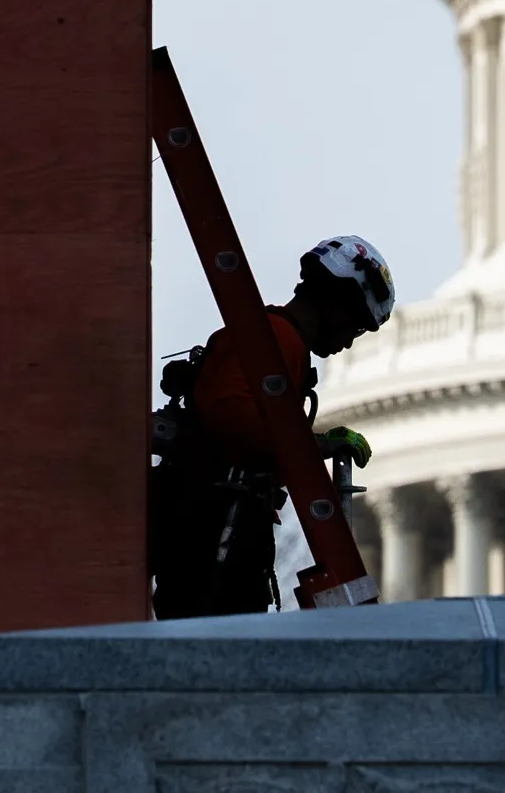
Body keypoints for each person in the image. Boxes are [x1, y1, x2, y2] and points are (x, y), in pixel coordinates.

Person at [148, 235, 394, 618]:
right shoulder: (276, 339)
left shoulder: (281, 342)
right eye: (356, 325)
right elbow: (231, 421)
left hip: (224, 533)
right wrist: (315, 447)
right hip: (211, 535)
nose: (350, 341)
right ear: (336, 302)